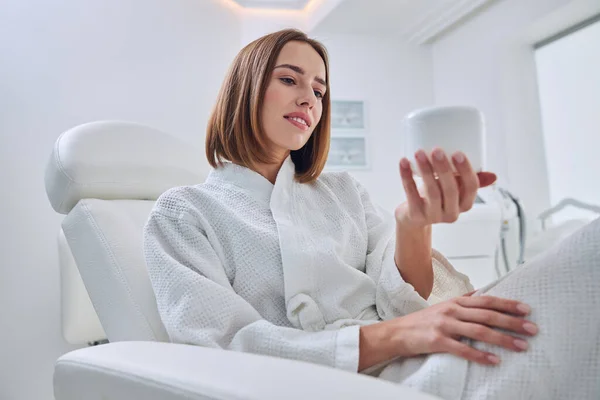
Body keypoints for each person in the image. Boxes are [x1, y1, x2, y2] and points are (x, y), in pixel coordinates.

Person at [143, 29, 600, 399]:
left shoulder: (343, 192)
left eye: (319, 90)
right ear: (245, 88)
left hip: (414, 360)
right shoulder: (184, 215)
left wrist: (413, 226)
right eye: (290, 80)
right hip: (354, 383)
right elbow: (224, 346)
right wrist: (398, 336)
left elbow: (402, 298)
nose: (309, 100)